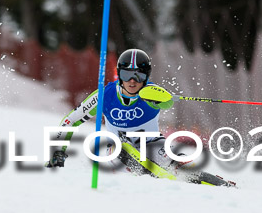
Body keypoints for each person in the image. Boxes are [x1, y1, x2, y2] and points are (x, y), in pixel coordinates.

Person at [46, 48, 234, 187]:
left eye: (139, 74)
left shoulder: (151, 93)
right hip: (117, 150)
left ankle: (220, 186)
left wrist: (163, 98)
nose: (133, 80)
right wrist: (58, 151)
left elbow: (166, 103)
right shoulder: (105, 95)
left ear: (146, 76)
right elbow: (71, 120)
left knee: (180, 167)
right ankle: (141, 172)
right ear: (119, 73)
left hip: (152, 144)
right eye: (127, 74)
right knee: (122, 149)